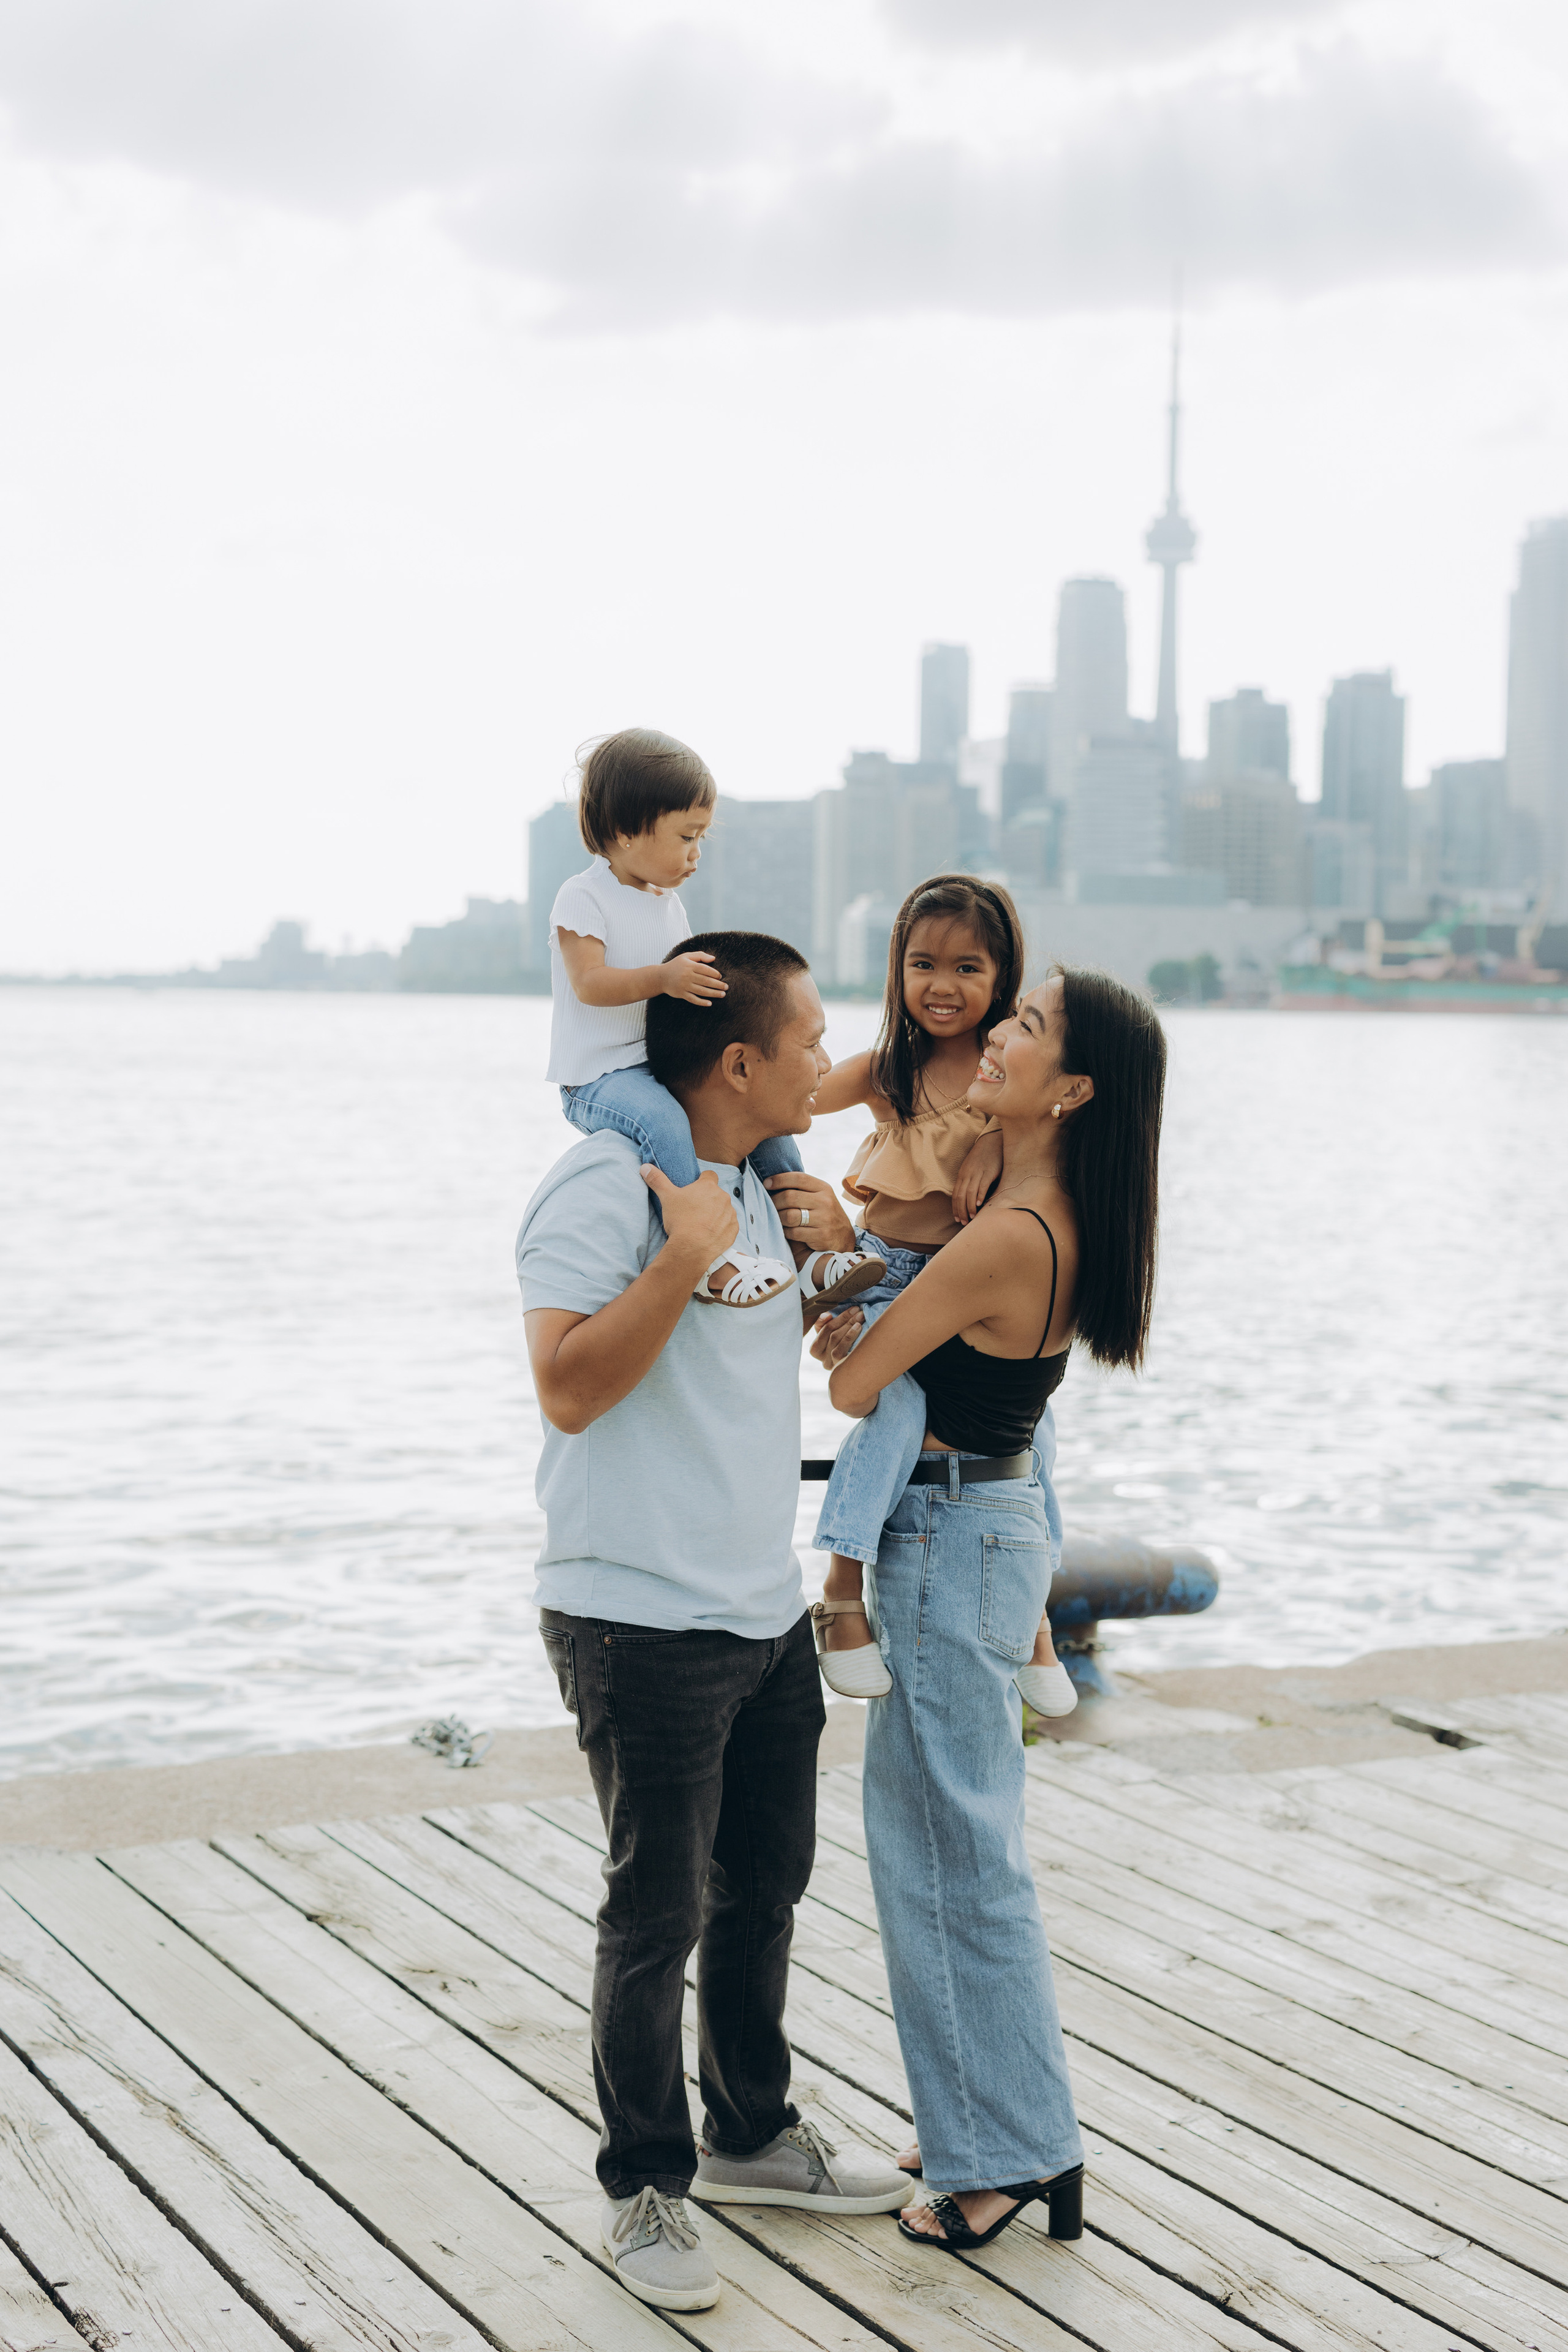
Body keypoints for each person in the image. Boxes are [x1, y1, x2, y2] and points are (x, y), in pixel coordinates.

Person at [518, 929, 911, 2316]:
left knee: (762, 1890)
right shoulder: (605, 1187)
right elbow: (567, 1386)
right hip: (635, 1615)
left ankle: (748, 2132)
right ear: (739, 1058)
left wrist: (836, 1266)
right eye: (808, 1036)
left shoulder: (759, 1184)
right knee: (656, 1909)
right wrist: (677, 1258)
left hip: (758, 1609)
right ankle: (645, 2185)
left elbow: (784, 1346)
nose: (825, 1055)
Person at [811, 965, 1166, 2255]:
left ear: (1070, 1088)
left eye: (1023, 1028)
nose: (995, 1035)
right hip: (986, 1530)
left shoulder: (1008, 1235)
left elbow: (854, 1389)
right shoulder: (1036, 1211)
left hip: (947, 1537)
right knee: (963, 1844)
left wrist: (823, 1270)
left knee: (943, 1854)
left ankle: (1002, 2157)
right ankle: (989, 2119)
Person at [798, 875, 1075, 1718]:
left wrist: (993, 1139)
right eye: (922, 964)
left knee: (1038, 1433)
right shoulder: (892, 1068)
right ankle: (843, 1588)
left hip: (960, 1296)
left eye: (967, 968)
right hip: (884, 1273)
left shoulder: (1006, 1078)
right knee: (893, 1412)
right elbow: (793, 1100)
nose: (942, 986)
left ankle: (1036, 1610)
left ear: (1003, 980)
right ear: (896, 971)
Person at [548, 726, 881, 1320]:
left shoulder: (665, 903)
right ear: (627, 831)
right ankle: (709, 1257)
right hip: (599, 1077)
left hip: (657, 1063)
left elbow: (689, 988)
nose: (696, 853)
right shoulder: (582, 897)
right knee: (663, 1121)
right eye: (686, 836)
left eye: (700, 837)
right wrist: (664, 977)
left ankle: (806, 1256)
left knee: (772, 1128)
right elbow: (590, 984)